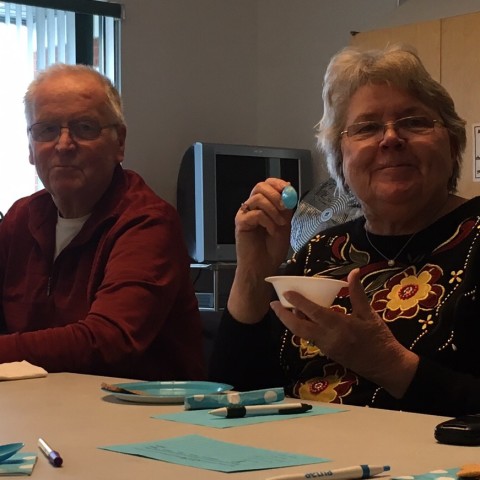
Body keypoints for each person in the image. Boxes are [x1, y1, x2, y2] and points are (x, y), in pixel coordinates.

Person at [209, 44, 480, 416]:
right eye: (367, 127)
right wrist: (252, 276)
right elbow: (236, 396)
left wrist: (388, 364)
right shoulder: (320, 250)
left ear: (452, 144)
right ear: (340, 158)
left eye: (414, 122)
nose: (390, 138)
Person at [0, 63, 205, 381]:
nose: (64, 145)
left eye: (84, 128)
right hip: (43, 408)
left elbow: (108, 340)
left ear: (119, 143)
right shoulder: (20, 219)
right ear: (30, 147)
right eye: (46, 130)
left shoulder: (147, 222)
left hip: (143, 417)